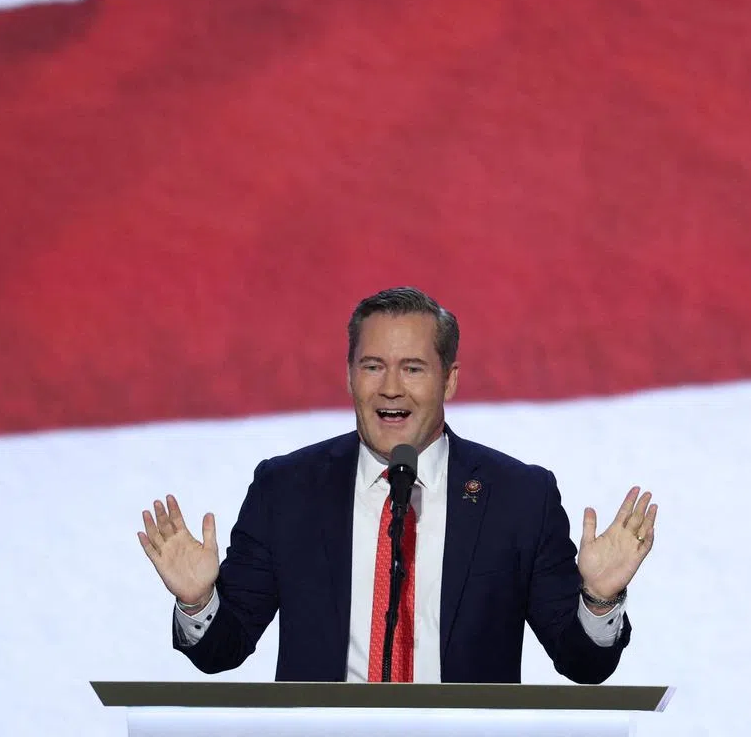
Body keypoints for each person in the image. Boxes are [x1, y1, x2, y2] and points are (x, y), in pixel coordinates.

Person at [137, 287, 657, 683]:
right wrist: (198, 601)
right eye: (372, 366)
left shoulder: (519, 498)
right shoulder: (286, 490)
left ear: (448, 379)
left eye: (413, 368)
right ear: (348, 375)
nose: (390, 387)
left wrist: (598, 602)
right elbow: (220, 651)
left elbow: (582, 663)